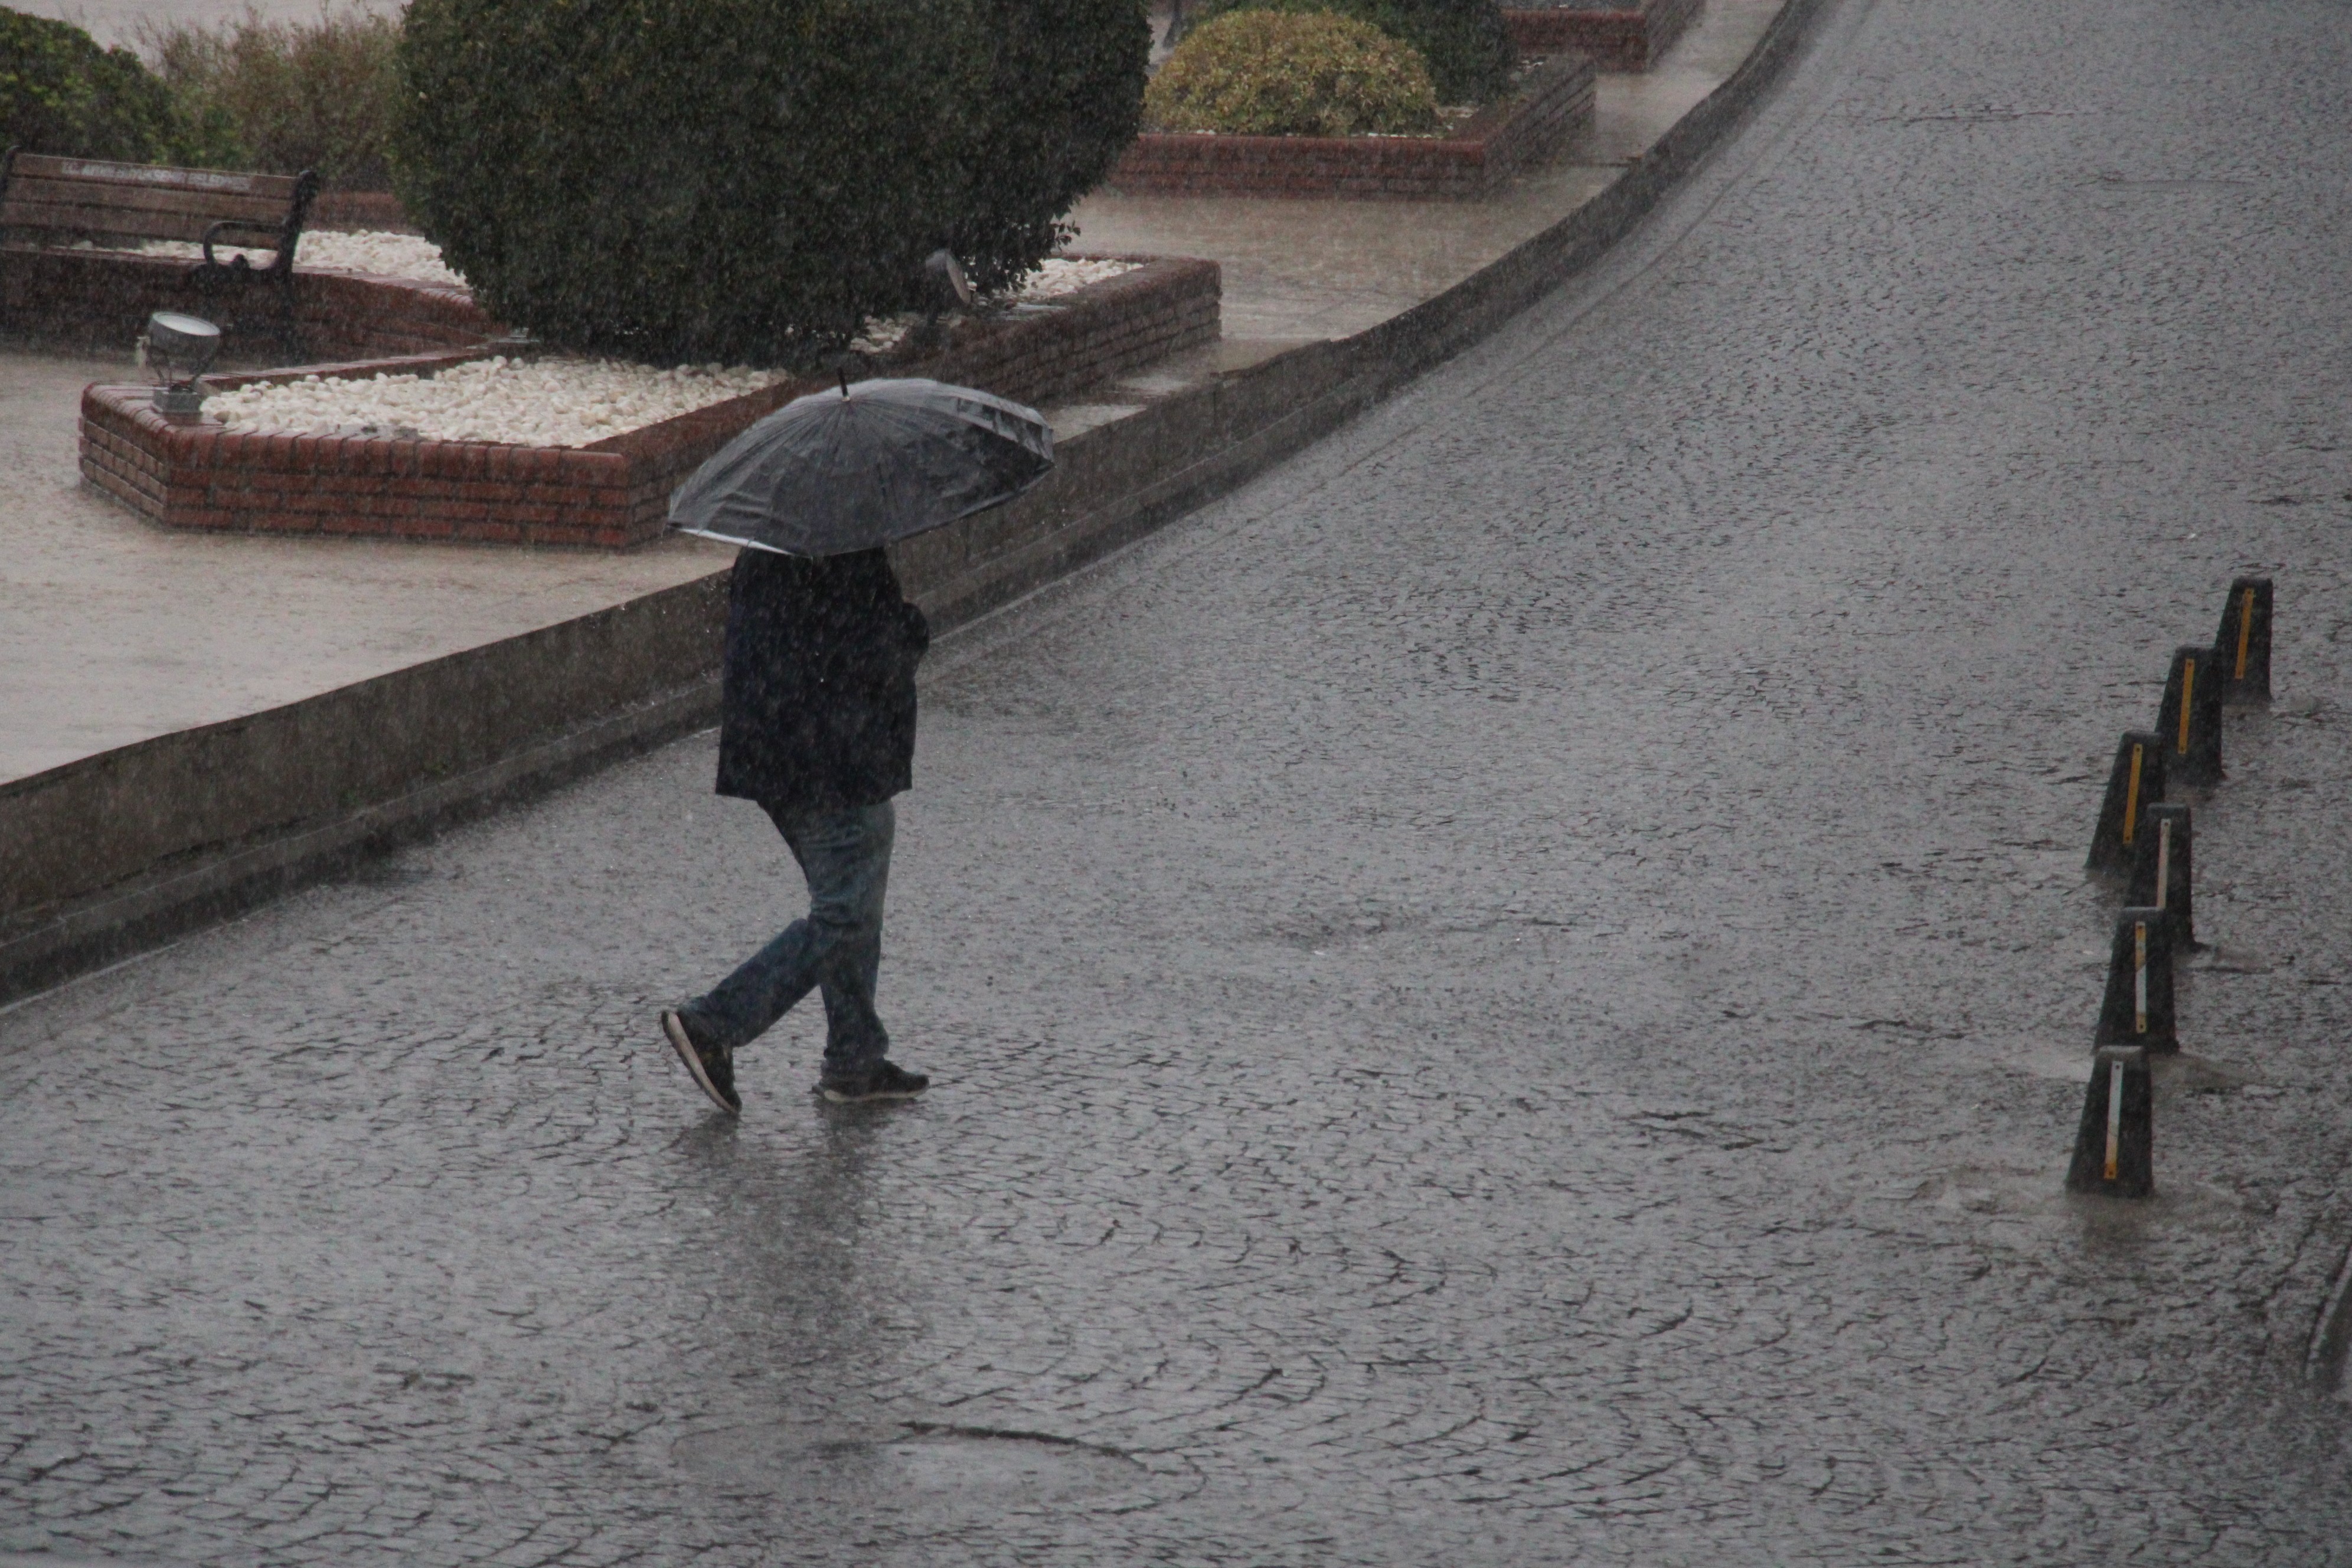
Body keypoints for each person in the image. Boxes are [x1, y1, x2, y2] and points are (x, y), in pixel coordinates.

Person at [661, 544, 932, 1110]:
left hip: (780, 751)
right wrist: (910, 627)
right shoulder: (840, 550)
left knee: (851, 891)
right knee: (846, 914)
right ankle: (716, 1024)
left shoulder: (777, 540)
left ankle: (856, 1058)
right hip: (828, 760)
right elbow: (864, 653)